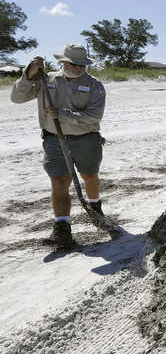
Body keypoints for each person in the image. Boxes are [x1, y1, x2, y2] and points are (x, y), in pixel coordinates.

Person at [11, 44, 106, 247]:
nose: (80, 68)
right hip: (54, 139)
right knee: (59, 182)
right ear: (63, 62)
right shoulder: (46, 81)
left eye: (83, 64)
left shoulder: (94, 85)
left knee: (90, 177)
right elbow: (17, 98)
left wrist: (64, 114)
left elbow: (95, 116)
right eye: (74, 64)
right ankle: (62, 229)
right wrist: (28, 74)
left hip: (86, 139)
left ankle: (95, 205)